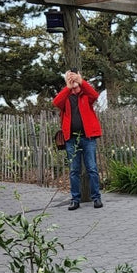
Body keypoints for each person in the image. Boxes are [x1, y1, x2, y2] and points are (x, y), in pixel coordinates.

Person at [53, 69, 103, 211]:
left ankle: (96, 198)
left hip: (88, 138)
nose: (72, 79)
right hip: (71, 139)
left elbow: (95, 95)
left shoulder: (86, 95)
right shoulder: (65, 97)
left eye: (74, 76)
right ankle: (75, 200)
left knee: (92, 169)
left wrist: (81, 82)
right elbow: (56, 102)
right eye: (69, 77)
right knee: (74, 170)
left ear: (80, 77)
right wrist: (67, 88)